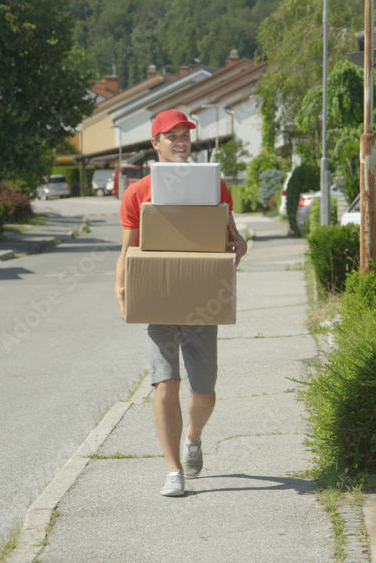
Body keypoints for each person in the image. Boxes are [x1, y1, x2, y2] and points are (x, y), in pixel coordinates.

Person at [115, 109, 247, 497]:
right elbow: (128, 250)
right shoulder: (138, 193)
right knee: (165, 382)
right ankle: (173, 470)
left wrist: (239, 244)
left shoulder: (215, 186)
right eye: (171, 136)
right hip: (156, 298)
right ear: (155, 144)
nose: (181, 141)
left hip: (201, 299)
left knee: (203, 390)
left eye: (185, 134)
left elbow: (233, 236)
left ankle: (193, 437)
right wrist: (120, 287)